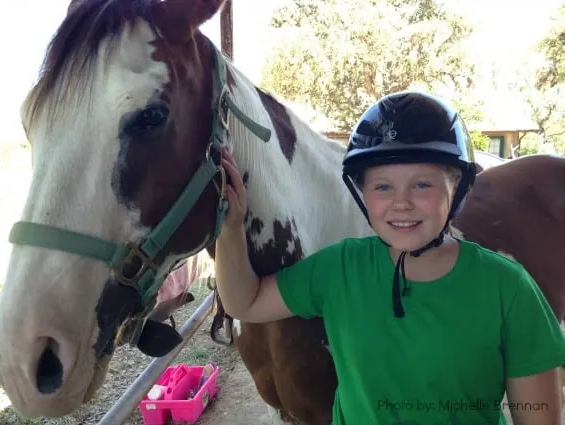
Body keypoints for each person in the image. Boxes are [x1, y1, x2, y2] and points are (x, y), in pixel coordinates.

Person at [214, 90, 565, 425]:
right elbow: (245, 302)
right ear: (362, 193)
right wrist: (231, 230)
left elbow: (537, 414)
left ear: (457, 188)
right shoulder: (339, 269)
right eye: (383, 186)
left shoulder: (508, 286)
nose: (402, 202)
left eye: (423, 184)